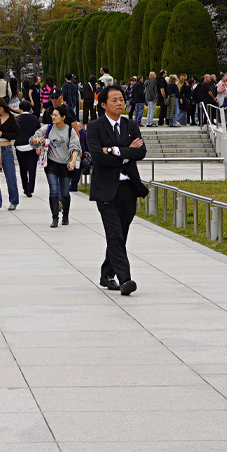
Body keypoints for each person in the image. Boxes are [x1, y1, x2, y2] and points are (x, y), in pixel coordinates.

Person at [87, 85, 149, 295]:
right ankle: (125, 279)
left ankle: (106, 273)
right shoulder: (94, 127)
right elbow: (98, 157)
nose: (119, 103)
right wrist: (126, 153)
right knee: (114, 234)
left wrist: (114, 150)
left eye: (121, 99)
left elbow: (140, 152)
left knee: (121, 234)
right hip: (105, 189)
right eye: (114, 100)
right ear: (103, 104)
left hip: (128, 188)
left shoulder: (131, 125)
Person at [32, 104, 83, 228]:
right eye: (52, 115)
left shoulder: (70, 131)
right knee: (53, 190)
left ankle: (65, 214)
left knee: (65, 192)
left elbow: (76, 147)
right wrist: (37, 141)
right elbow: (33, 139)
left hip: (66, 164)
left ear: (63, 117)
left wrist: (73, 161)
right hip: (51, 164)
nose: (53, 117)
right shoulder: (48, 128)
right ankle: (55, 217)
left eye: (56, 115)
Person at [0, 97, 20, 212]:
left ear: (4, 107)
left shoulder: (11, 118)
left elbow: (16, 133)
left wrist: (3, 134)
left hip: (6, 148)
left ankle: (13, 200)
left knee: (10, 176)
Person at [14, 106, 41, 198]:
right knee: (32, 168)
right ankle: (30, 188)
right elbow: (39, 132)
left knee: (23, 168)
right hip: (31, 145)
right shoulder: (35, 119)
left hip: (20, 146)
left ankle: (25, 187)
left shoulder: (17, 119)